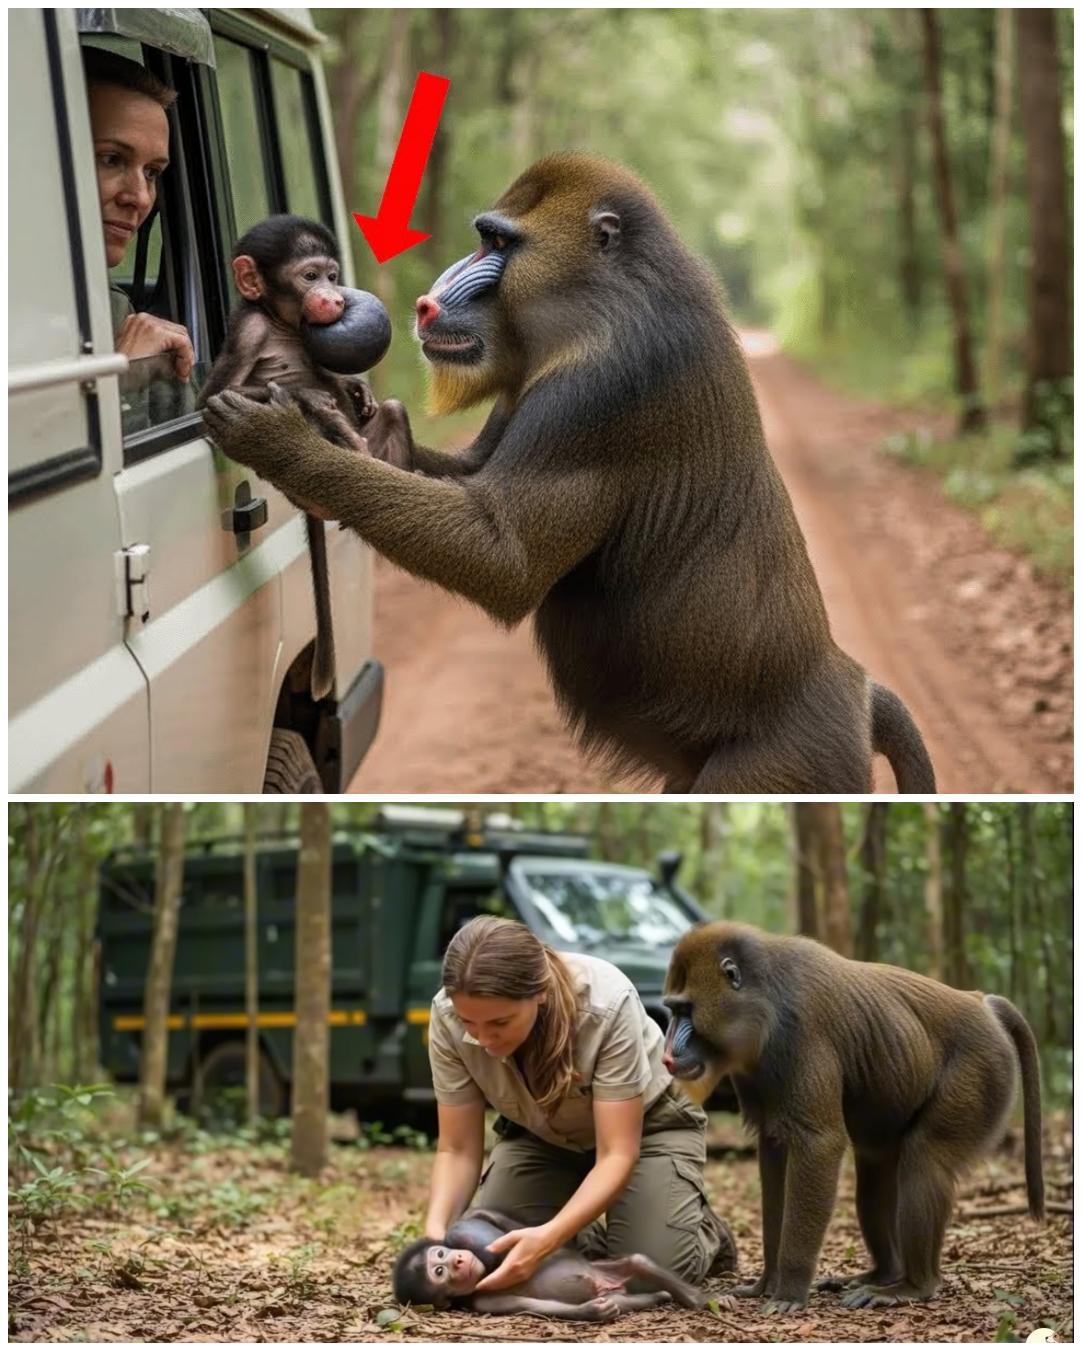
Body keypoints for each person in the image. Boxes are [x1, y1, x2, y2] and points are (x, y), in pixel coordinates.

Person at [423, 915, 736, 1296]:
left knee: (645, 1271)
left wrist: (549, 1238)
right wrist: (433, 1239)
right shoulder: (445, 1015)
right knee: (496, 1249)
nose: (484, 1038)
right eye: (469, 1023)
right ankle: (601, 1225)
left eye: (500, 1022)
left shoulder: (606, 1003)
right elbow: (456, 1148)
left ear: (539, 992)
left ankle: (699, 1231)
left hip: (647, 1131)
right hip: (541, 1137)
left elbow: (616, 1153)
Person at [82, 47, 194, 386]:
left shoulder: (112, 310)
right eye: (112, 159)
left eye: (152, 172)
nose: (140, 198)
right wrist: (122, 377)